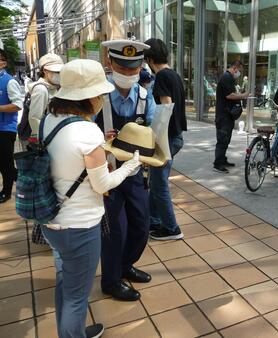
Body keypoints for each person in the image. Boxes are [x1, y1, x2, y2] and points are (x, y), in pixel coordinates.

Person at [41, 59, 142, 338]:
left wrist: (101, 145)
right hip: (80, 225)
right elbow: (103, 184)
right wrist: (130, 167)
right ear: (87, 97)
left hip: (52, 218)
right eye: (99, 94)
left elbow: (69, 160)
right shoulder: (87, 131)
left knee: (66, 285)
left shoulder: (51, 119)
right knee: (77, 297)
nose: (102, 98)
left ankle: (70, 333)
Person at [95, 39, 156, 301]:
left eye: (133, 69)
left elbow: (155, 131)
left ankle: (125, 265)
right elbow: (83, 131)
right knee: (114, 231)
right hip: (107, 174)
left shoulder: (145, 96)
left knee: (141, 227)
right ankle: (110, 280)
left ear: (141, 66)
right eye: (122, 67)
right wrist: (101, 137)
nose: (128, 74)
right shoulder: (98, 95)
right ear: (110, 63)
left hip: (135, 173)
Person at [144, 38, 186, 241]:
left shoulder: (161, 77)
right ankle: (153, 221)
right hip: (176, 136)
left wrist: (155, 138)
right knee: (156, 181)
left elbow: (166, 106)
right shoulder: (176, 75)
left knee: (159, 184)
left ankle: (172, 228)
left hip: (166, 138)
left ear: (150, 60)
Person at [214, 60, 250, 173]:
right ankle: (218, 164)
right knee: (222, 139)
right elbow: (229, 95)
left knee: (226, 139)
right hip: (223, 115)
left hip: (227, 115)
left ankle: (223, 159)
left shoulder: (229, 78)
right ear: (235, 68)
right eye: (239, 71)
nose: (239, 73)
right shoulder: (226, 77)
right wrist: (243, 95)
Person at [0, 48, 23, 203]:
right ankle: (25, 180)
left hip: (6, 128)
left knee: (6, 162)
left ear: (4, 63)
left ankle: (6, 192)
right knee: (2, 162)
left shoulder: (10, 81)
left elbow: (17, 105)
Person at [28, 53, 64, 141]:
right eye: (56, 72)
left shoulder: (54, 87)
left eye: (61, 71)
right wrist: (44, 141)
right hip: (47, 139)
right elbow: (34, 118)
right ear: (45, 71)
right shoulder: (41, 89)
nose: (59, 74)